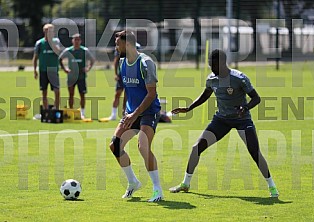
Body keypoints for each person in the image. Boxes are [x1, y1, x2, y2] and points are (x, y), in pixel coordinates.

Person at [169, 49, 279, 198]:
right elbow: (205, 95)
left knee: (254, 152)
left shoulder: (239, 78)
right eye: (209, 65)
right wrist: (189, 108)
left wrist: (245, 107)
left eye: (213, 65)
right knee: (197, 148)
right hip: (221, 120)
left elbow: (256, 98)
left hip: (242, 120)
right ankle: (185, 183)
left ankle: (272, 186)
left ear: (221, 63)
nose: (211, 68)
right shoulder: (211, 79)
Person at [109, 30, 163, 202]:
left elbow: (151, 94)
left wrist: (135, 113)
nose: (116, 47)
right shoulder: (123, 63)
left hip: (148, 111)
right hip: (132, 112)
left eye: (118, 44)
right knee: (115, 146)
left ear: (128, 44)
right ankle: (133, 182)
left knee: (143, 146)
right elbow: (127, 89)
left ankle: (157, 190)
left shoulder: (145, 63)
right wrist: (126, 112)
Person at [59, 33, 95, 119]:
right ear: (72, 41)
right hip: (71, 77)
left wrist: (88, 68)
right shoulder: (68, 51)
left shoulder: (84, 50)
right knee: (71, 94)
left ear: (80, 41)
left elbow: (92, 60)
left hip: (81, 77)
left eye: (78, 40)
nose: (76, 41)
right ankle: (71, 111)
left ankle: (82, 113)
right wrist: (65, 69)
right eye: (75, 39)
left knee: (82, 95)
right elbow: (60, 59)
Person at [107, 42, 141, 121]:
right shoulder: (121, 47)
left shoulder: (137, 46)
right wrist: (116, 73)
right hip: (122, 74)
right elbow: (116, 61)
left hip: (132, 75)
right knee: (117, 93)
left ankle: (125, 113)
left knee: (127, 94)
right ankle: (113, 114)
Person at [33, 23, 61, 110]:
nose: (51, 33)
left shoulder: (56, 41)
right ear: (44, 31)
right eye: (49, 31)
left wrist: (51, 42)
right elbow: (35, 58)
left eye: (52, 31)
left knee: (57, 90)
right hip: (43, 70)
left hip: (53, 69)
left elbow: (58, 52)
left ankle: (56, 108)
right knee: (44, 91)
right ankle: (45, 110)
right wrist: (35, 70)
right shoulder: (40, 43)